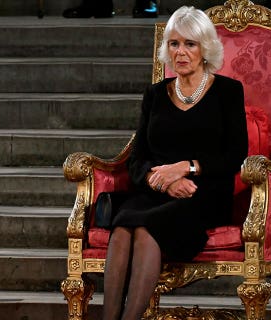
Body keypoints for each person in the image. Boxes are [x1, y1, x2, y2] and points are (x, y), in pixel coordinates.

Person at [102, 6, 247, 320]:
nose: (181, 52)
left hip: (202, 194)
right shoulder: (155, 94)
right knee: (123, 225)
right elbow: (138, 157)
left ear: (205, 48)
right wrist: (161, 176)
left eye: (190, 44)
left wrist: (186, 167)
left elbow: (235, 155)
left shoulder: (227, 92)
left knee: (144, 228)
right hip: (155, 190)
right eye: (174, 44)